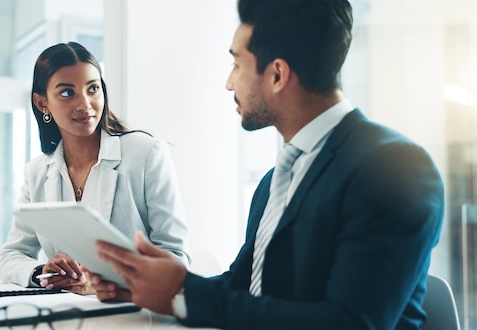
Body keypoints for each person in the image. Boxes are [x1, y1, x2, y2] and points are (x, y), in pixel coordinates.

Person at [90, 0, 445, 328]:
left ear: (277, 74)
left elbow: (349, 322)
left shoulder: (396, 169)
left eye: (236, 64)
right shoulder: (275, 179)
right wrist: (146, 287)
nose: (229, 83)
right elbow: (243, 286)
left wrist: (183, 293)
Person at [0, 42, 190, 295]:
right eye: (68, 93)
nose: (85, 104)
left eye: (93, 89)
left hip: (130, 315)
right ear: (42, 103)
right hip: (65, 314)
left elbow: (176, 258)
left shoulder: (147, 154)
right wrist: (43, 272)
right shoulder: (37, 172)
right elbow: (11, 255)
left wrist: (105, 283)